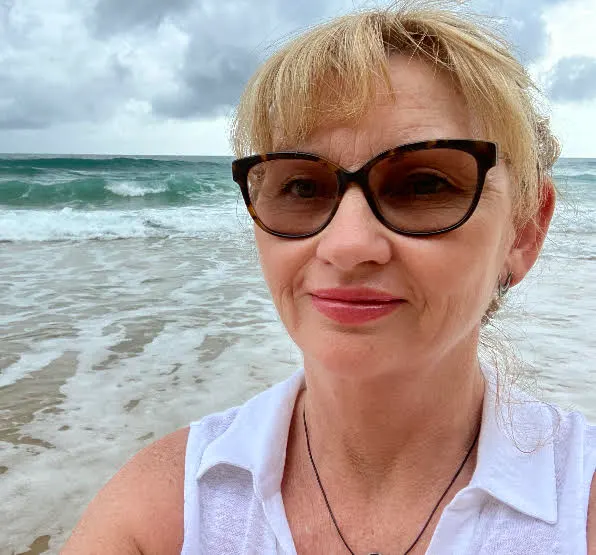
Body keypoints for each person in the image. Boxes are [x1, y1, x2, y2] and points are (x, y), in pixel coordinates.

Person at [62, 2, 596, 554]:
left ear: (525, 230)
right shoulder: (159, 515)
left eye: (423, 185)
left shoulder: (581, 507)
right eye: (301, 187)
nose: (347, 246)